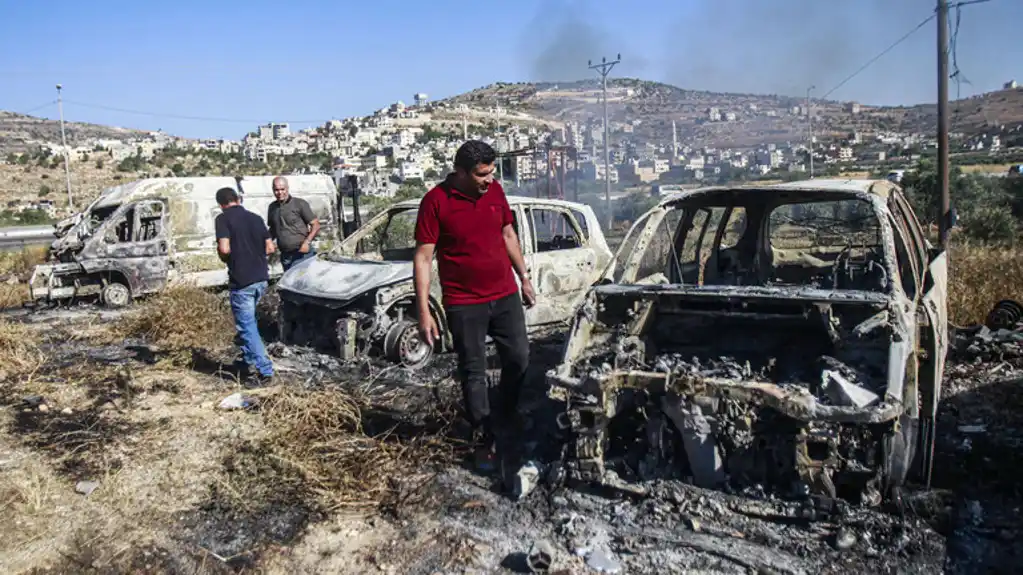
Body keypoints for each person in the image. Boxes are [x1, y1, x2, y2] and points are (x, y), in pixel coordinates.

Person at [413, 140, 536, 472]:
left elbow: (509, 235)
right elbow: (424, 259)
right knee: (473, 371)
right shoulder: (435, 202)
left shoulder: (494, 192)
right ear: (461, 172)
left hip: (506, 294)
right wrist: (424, 310)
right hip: (464, 302)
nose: (490, 180)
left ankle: (505, 414)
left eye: (492, 173)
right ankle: (484, 437)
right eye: (483, 174)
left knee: (520, 358)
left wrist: (523, 277)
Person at [215, 187, 276, 385]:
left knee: (247, 327)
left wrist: (228, 257)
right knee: (250, 324)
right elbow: (270, 248)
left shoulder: (223, 219)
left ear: (221, 204)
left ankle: (264, 371)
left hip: (241, 281)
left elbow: (224, 248)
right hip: (261, 278)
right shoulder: (255, 218)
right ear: (238, 199)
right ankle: (247, 360)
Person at [267, 176, 321, 271]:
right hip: (286, 256)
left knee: (305, 282)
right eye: (276, 190)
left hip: (302, 254)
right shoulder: (272, 208)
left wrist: (307, 242)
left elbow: (315, 225)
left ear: (287, 188)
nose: (279, 193)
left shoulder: (299, 204)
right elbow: (273, 230)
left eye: (282, 189)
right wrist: (266, 242)